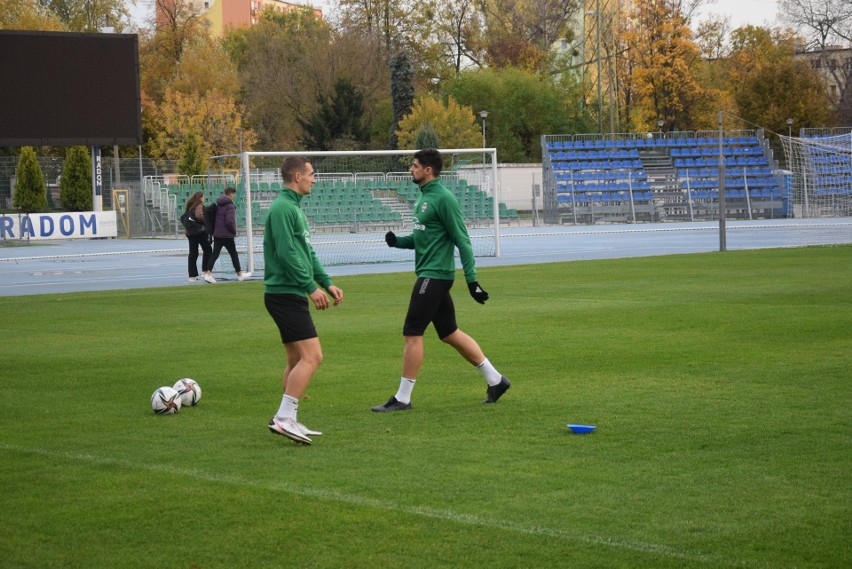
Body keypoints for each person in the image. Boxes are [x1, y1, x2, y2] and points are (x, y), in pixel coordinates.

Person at [372, 148, 510, 412]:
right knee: (449, 333)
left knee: (412, 333)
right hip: (433, 275)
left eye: (414, 166)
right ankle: (496, 380)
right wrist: (397, 242)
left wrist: (472, 281)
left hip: (434, 276)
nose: (410, 169)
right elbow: (423, 239)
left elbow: (463, 240)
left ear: (428, 170)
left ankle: (402, 398)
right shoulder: (423, 199)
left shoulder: (444, 198)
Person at [265, 157, 344, 445]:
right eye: (311, 175)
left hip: (288, 293)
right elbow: (287, 254)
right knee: (313, 356)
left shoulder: (293, 208)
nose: (314, 179)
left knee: (296, 359)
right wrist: (310, 287)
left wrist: (327, 282)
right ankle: (284, 418)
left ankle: (289, 418)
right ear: (297, 176)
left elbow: (307, 253)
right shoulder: (283, 208)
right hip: (285, 294)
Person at [208, 186, 251, 282]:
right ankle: (240, 274)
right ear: (231, 194)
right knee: (233, 254)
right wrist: (233, 231)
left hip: (218, 233)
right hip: (227, 234)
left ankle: (208, 274)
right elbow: (229, 221)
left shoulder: (219, 203)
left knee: (215, 254)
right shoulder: (230, 205)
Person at [182, 191, 215, 283]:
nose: (204, 199)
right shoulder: (199, 205)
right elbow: (199, 215)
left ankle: (192, 276)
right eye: (203, 197)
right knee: (208, 249)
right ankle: (205, 271)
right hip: (198, 232)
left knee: (193, 253)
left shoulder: (190, 207)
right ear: (200, 198)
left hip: (190, 232)